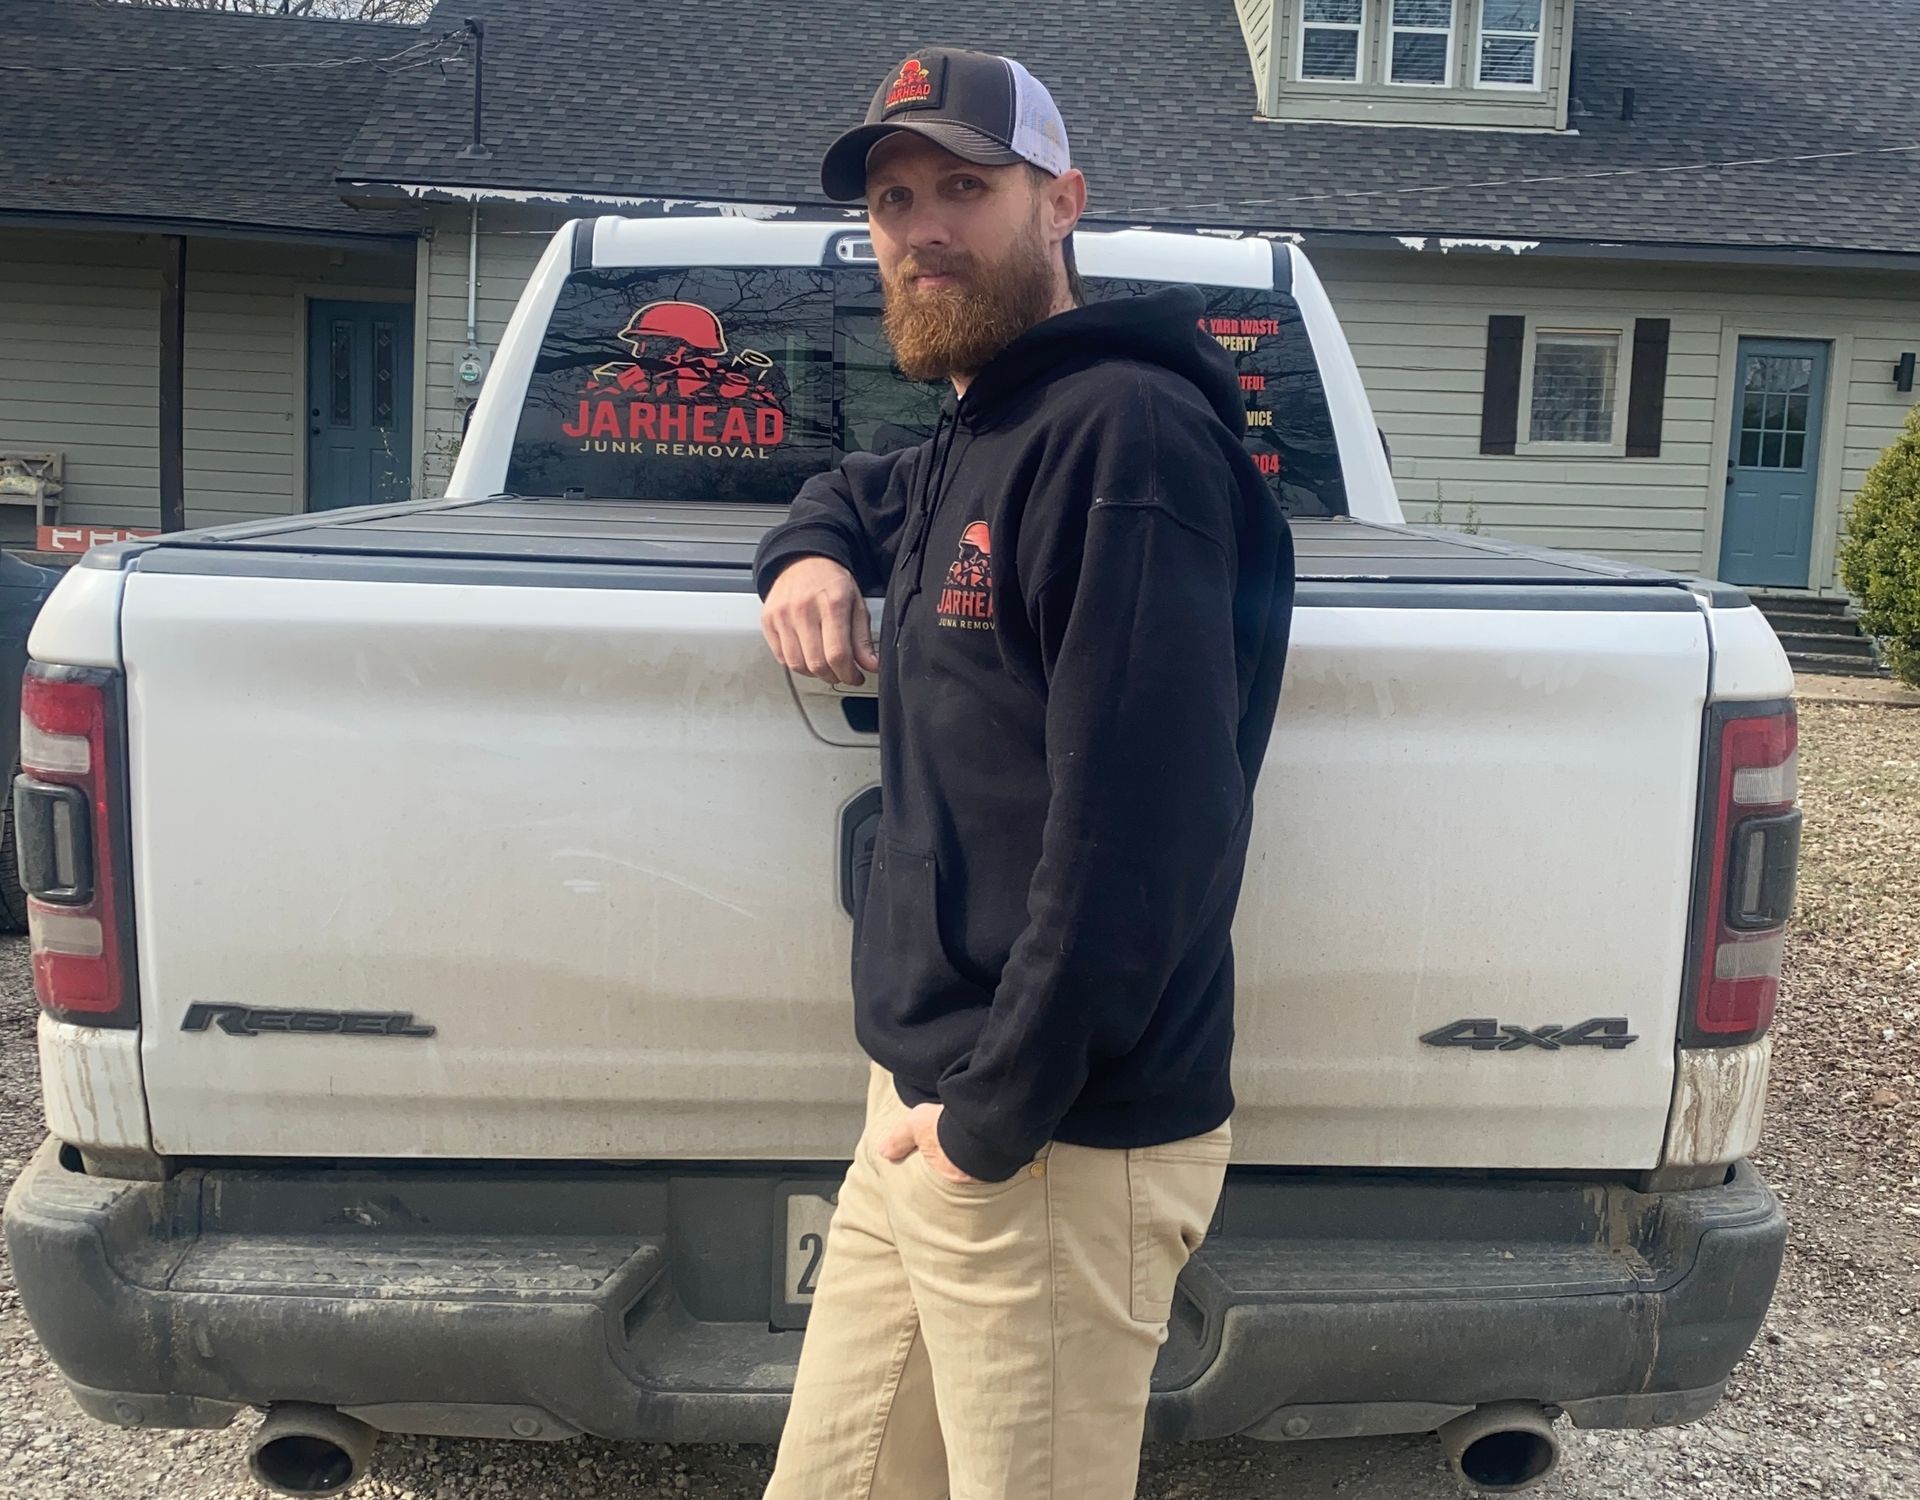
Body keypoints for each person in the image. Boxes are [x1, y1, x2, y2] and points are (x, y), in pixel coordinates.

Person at [754, 46, 1295, 1500]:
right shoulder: (982, 425)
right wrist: (808, 545)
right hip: (930, 1113)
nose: (923, 228)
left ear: (1060, 202)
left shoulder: (1124, 437)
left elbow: (1144, 834)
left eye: (965, 189)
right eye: (893, 198)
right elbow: (860, 489)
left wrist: (994, 1121)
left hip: (1046, 1137)